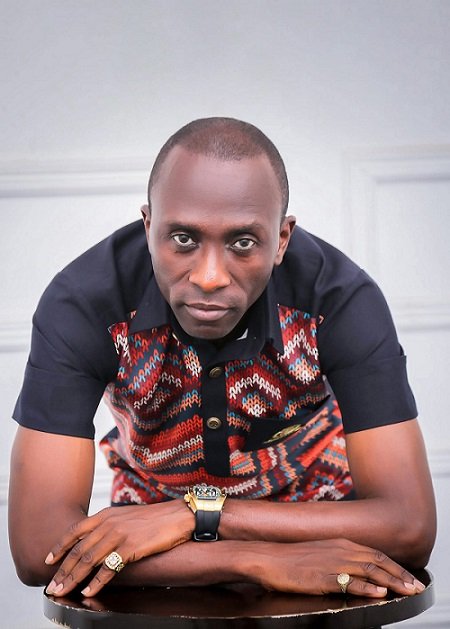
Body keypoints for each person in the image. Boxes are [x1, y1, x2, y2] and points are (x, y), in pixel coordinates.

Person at [9, 117, 435, 601]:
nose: (209, 277)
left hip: (322, 544)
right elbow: (39, 548)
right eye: (183, 239)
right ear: (148, 227)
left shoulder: (336, 300)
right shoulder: (85, 304)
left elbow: (408, 526)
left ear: (283, 239)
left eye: (243, 242)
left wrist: (201, 513)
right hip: (148, 547)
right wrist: (254, 560)